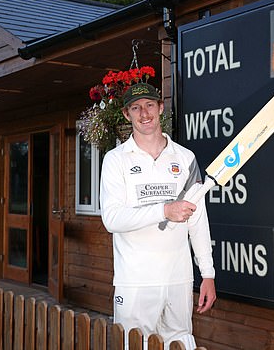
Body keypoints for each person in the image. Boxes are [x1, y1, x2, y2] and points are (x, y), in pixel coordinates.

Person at [100, 82, 216, 350]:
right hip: (135, 281)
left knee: (180, 343)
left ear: (161, 108)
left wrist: (207, 273)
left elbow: (198, 221)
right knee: (134, 345)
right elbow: (113, 219)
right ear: (127, 114)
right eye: (136, 108)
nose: (144, 113)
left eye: (150, 105)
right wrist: (165, 210)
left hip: (179, 279)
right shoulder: (116, 160)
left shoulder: (186, 158)